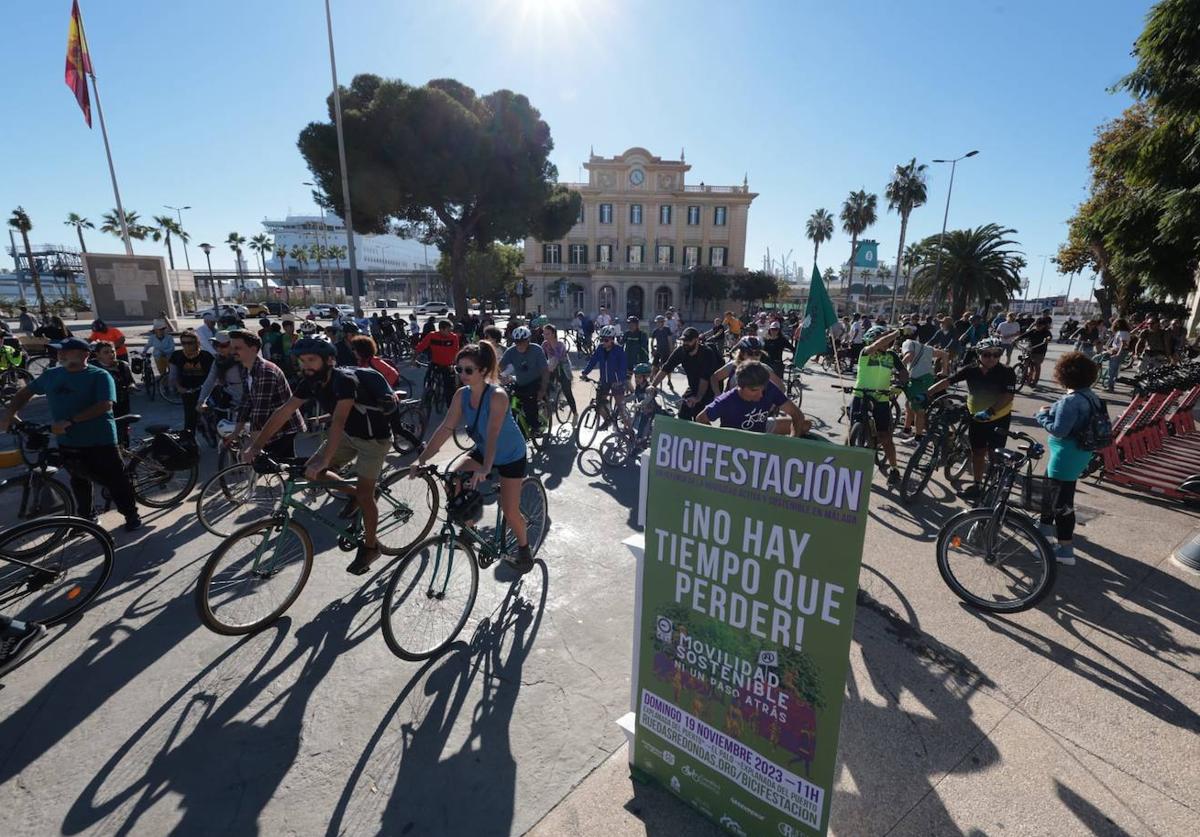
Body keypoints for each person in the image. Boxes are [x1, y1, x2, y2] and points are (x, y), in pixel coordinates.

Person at [245, 338, 393, 575]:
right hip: (348, 435)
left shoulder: (344, 381)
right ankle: (359, 494)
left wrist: (325, 459)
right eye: (302, 361)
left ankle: (371, 546)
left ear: (329, 360)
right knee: (312, 473)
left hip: (373, 440)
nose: (306, 366)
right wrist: (256, 445)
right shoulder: (310, 382)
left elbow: (338, 420)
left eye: (311, 360)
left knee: (363, 495)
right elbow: (284, 411)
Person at [415, 341, 534, 573]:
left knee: (510, 511)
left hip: (510, 455)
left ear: (483, 371)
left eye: (468, 370)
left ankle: (524, 547)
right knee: (452, 477)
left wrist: (486, 468)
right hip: (484, 451)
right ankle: (470, 531)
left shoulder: (497, 396)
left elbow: (493, 435)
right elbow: (445, 428)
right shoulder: (461, 395)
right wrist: (422, 459)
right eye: (458, 369)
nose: (462, 374)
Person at [0, 337, 140, 530]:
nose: (60, 354)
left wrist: (71, 421)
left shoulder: (99, 375)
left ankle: (131, 515)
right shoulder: (52, 374)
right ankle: (86, 518)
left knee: (116, 480)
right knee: (78, 479)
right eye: (59, 351)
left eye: (66, 351)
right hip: (67, 439)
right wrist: (10, 413)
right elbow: (25, 393)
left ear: (84, 355)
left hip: (99, 439)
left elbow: (104, 405)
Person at [1035, 352, 1105, 566]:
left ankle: (1065, 550)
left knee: (1062, 504)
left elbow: (1060, 430)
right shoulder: (1092, 397)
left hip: (1065, 455)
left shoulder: (1071, 400)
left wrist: (1042, 415)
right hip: (1079, 453)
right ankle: (1044, 535)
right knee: (1050, 495)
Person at [926, 337, 1016, 498]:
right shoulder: (971, 369)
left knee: (994, 454)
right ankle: (977, 485)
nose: (992, 358)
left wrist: (990, 412)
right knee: (978, 452)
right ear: (979, 354)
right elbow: (948, 381)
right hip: (977, 418)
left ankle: (995, 485)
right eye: (987, 354)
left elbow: (1008, 396)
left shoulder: (1007, 372)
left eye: (996, 354)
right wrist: (926, 393)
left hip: (998, 418)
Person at [230, 330, 305, 461]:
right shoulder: (245, 368)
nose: (233, 351)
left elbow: (260, 412)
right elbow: (246, 401)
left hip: (284, 427)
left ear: (253, 349)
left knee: (270, 464)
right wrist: (236, 431)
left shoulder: (265, 372)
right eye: (232, 348)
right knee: (285, 467)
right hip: (271, 426)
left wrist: (253, 446)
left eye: (238, 348)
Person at [851, 326, 909, 486]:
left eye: (889, 339)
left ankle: (894, 469)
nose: (887, 341)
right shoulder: (866, 351)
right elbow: (877, 345)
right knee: (852, 433)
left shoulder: (892, 356)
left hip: (882, 398)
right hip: (861, 395)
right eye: (884, 338)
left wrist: (900, 384)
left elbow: (904, 373)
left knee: (885, 437)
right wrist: (896, 333)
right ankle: (847, 464)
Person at [699, 360, 811, 436]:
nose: (761, 395)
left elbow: (797, 414)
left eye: (763, 390)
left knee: (805, 424)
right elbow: (701, 419)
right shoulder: (726, 400)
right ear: (741, 386)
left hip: (761, 430)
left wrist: (792, 441)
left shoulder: (769, 388)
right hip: (736, 437)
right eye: (754, 391)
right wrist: (719, 439)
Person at [649, 326, 721, 421]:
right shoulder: (681, 351)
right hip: (693, 386)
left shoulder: (707, 353)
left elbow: (705, 378)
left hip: (710, 388)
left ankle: (707, 435)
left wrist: (698, 398)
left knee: (699, 417)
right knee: (683, 414)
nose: (685, 343)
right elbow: (665, 369)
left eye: (688, 341)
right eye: (684, 340)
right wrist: (653, 385)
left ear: (696, 340)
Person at [500, 326, 549, 434]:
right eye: (517, 342)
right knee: (509, 402)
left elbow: (545, 370)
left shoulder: (536, 349)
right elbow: (500, 366)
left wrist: (543, 389)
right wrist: (502, 376)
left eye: (522, 341)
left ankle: (536, 425)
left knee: (529, 404)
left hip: (535, 381)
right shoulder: (511, 351)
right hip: (519, 382)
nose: (519, 344)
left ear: (528, 340)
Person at [167, 328, 215, 438]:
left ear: (197, 343)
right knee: (189, 419)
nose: (187, 346)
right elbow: (173, 375)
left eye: (190, 343)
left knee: (215, 414)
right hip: (187, 390)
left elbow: (213, 376)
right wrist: (178, 387)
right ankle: (190, 444)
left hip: (206, 389)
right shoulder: (176, 356)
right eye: (184, 343)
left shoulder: (206, 356)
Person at [580, 325, 629, 429]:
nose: (603, 342)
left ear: (612, 339)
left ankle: (629, 430)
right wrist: (585, 373)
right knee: (599, 403)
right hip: (604, 380)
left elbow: (623, 368)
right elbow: (592, 361)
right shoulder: (600, 349)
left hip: (617, 381)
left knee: (621, 407)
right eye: (601, 339)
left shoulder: (619, 350)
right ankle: (607, 420)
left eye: (606, 340)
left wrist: (619, 380)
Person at [90, 339, 136, 448]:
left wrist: (131, 386)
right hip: (102, 406)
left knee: (123, 430)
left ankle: (124, 450)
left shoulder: (122, 365)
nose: (111, 354)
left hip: (122, 403)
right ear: (98, 355)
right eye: (106, 352)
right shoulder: (92, 367)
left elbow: (130, 381)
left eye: (113, 351)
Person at [899, 325, 937, 444]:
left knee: (918, 409)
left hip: (919, 379)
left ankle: (918, 438)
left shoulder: (907, 342)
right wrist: (944, 372)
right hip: (924, 378)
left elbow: (909, 356)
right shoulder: (925, 346)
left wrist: (898, 368)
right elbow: (944, 354)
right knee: (909, 405)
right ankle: (906, 430)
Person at [197, 331, 245, 418]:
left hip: (246, 400)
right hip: (228, 399)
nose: (219, 349)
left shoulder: (243, 360)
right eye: (216, 344)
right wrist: (201, 401)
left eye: (223, 346)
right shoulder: (218, 361)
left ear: (232, 345)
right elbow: (210, 381)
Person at [414, 319, 461, 403]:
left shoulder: (453, 337)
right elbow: (421, 346)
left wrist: (454, 364)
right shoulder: (432, 336)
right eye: (448, 330)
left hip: (448, 365)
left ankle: (450, 407)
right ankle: (427, 395)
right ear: (441, 329)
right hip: (435, 362)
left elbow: (456, 352)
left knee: (450, 388)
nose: (450, 332)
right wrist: (414, 358)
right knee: (427, 378)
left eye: (451, 330)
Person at [542, 324, 578, 417]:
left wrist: (549, 368)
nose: (545, 336)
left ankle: (575, 414)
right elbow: (541, 357)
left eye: (548, 334)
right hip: (551, 368)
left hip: (563, 369)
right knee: (544, 387)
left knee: (567, 391)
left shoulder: (560, 345)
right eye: (544, 334)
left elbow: (556, 359)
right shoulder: (545, 344)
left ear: (554, 334)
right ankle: (547, 409)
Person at [1017, 317, 1053, 387]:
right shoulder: (1033, 331)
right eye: (1036, 325)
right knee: (1025, 363)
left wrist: (1047, 339)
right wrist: (1016, 339)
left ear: (1044, 326)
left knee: (1036, 365)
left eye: (1040, 325)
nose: (1038, 327)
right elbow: (1023, 335)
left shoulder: (1046, 332)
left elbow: (1049, 337)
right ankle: (1024, 377)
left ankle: (1035, 381)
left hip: (1039, 352)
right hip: (1030, 349)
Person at [1101, 318, 1132, 392]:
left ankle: (1110, 386)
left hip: (1117, 351)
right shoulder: (1125, 332)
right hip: (1120, 351)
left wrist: (1118, 353)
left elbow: (1123, 343)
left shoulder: (1122, 332)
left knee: (1112, 370)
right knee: (1114, 370)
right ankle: (1110, 384)